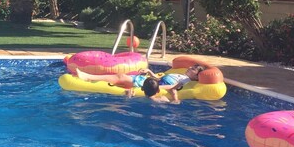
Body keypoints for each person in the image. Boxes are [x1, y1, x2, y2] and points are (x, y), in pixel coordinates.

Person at [75, 64, 206, 103]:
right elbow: (160, 78)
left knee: (120, 76)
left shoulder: (185, 81)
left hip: (150, 84)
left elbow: (172, 87)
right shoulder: (181, 75)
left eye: (193, 69)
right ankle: (90, 77)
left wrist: (153, 86)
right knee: (120, 77)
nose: (190, 68)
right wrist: (149, 71)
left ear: (196, 75)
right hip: (151, 81)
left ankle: (88, 77)